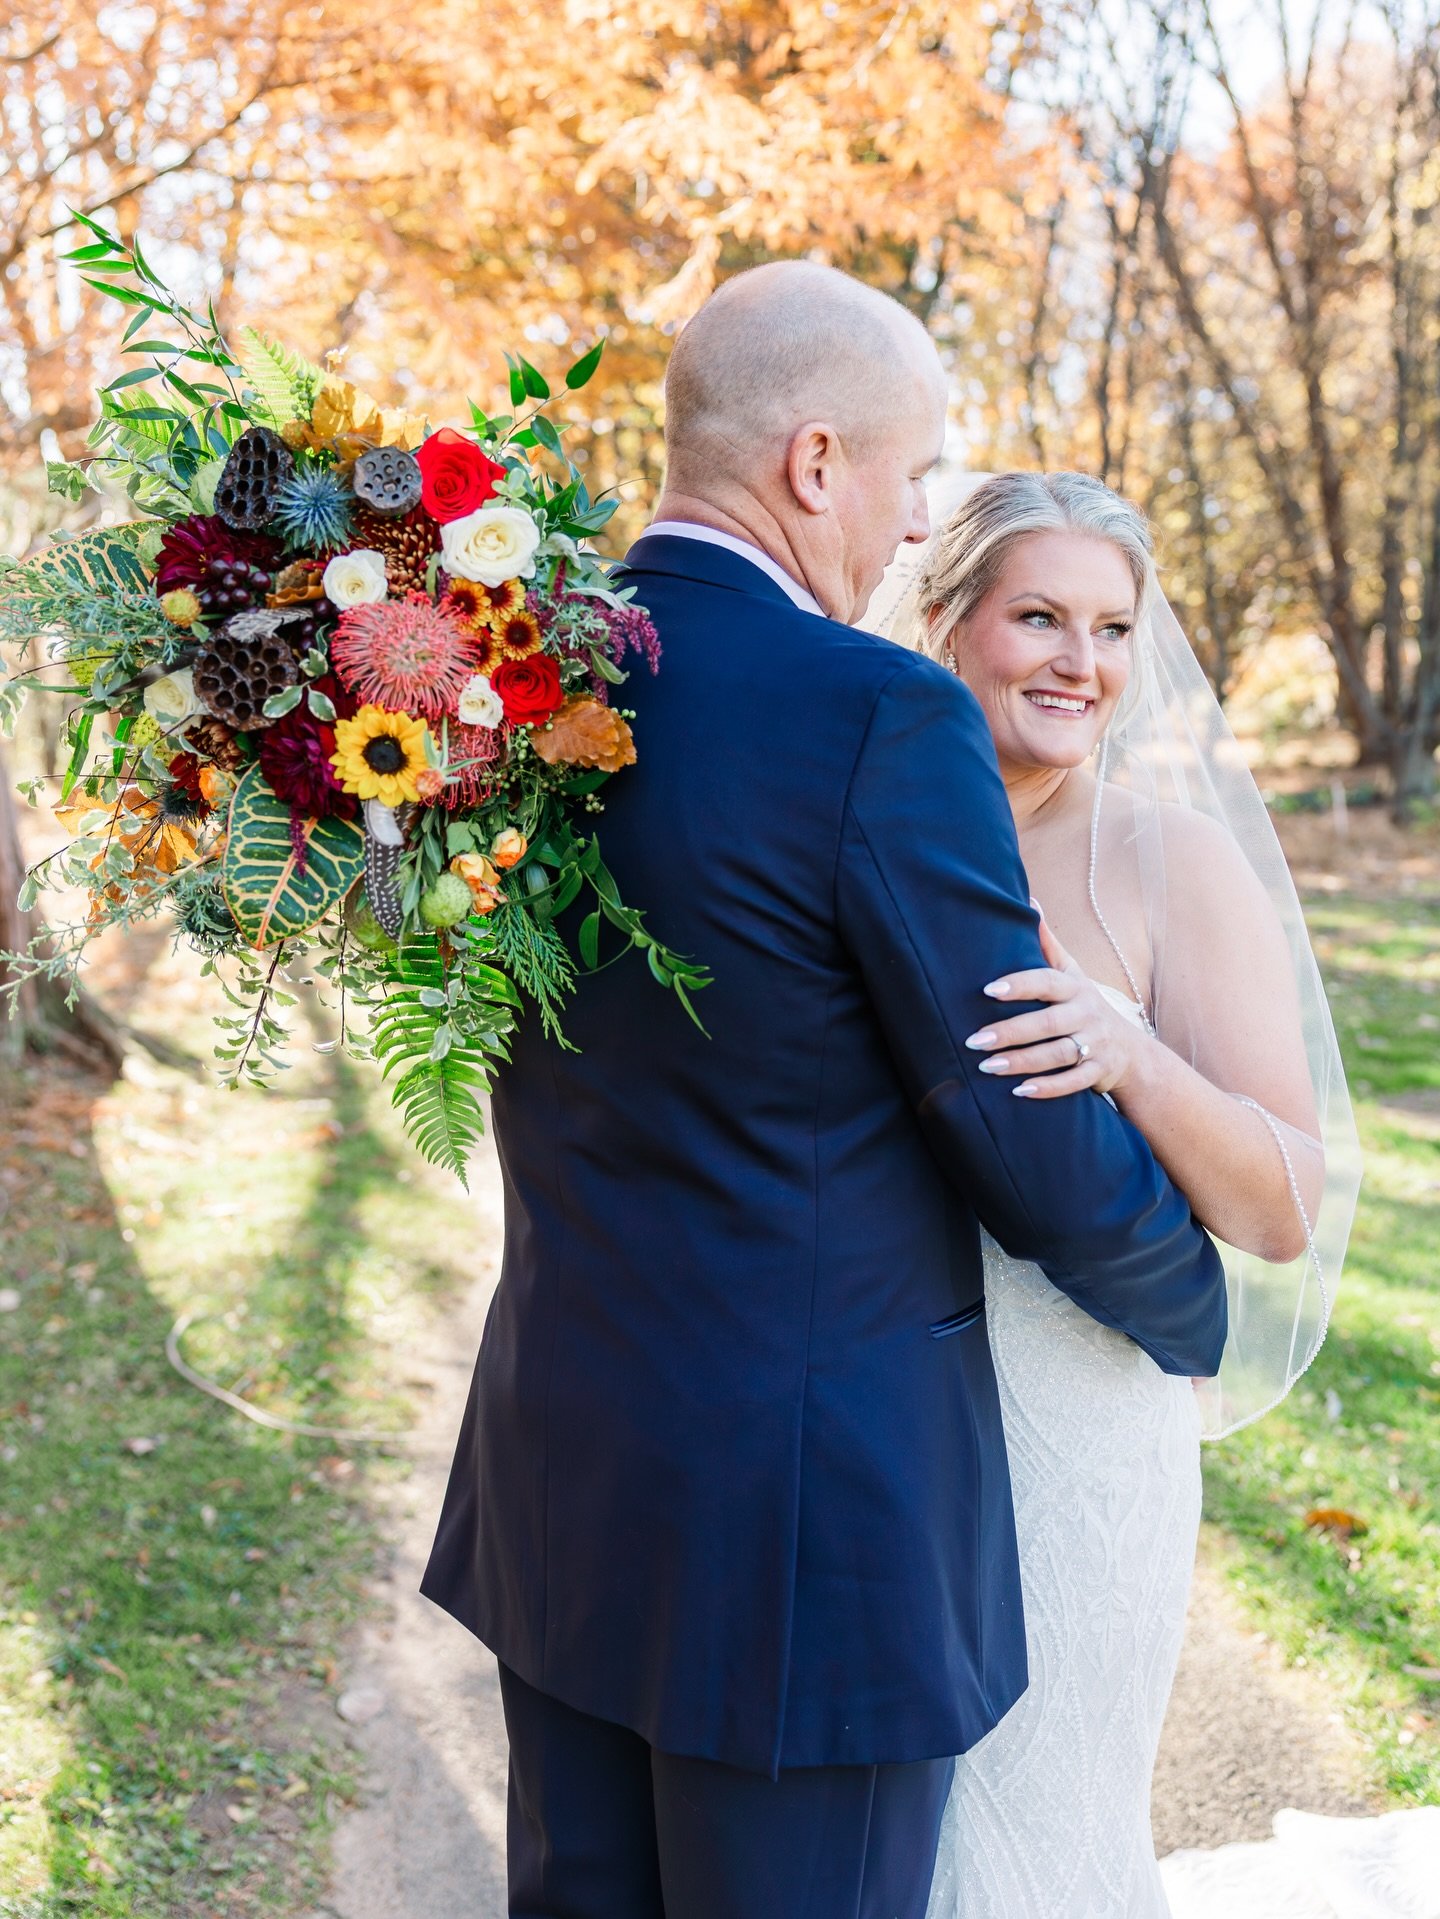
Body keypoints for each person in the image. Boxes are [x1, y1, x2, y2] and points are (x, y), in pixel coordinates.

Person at [420, 266, 1227, 1919]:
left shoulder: (496, 688)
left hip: (564, 1472)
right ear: (812, 463)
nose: (919, 517)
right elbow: (1012, 1100)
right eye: (912, 474)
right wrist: (1184, 1292)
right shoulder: (872, 710)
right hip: (801, 1545)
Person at [871, 472, 1355, 1919]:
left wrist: (1129, 1054)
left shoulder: (1167, 861)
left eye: (1111, 626)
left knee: (1037, 1838)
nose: (1080, 662)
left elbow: (1282, 1207)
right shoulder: (863, 830)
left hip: (1079, 1432)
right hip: (874, 1427)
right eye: (1039, 617)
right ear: (947, 619)